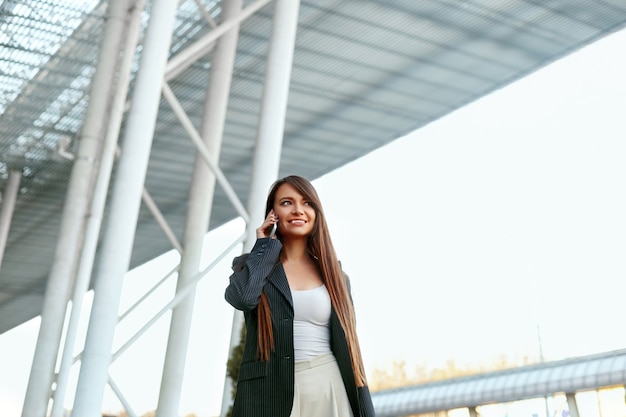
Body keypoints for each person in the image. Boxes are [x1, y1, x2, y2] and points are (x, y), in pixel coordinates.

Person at [225, 175, 375, 417]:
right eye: (286, 203)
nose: (298, 210)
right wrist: (263, 248)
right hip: (270, 393)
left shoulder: (335, 276)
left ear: (316, 213)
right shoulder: (254, 267)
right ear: (272, 214)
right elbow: (242, 298)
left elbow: (351, 351)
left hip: (329, 384)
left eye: (307, 203)